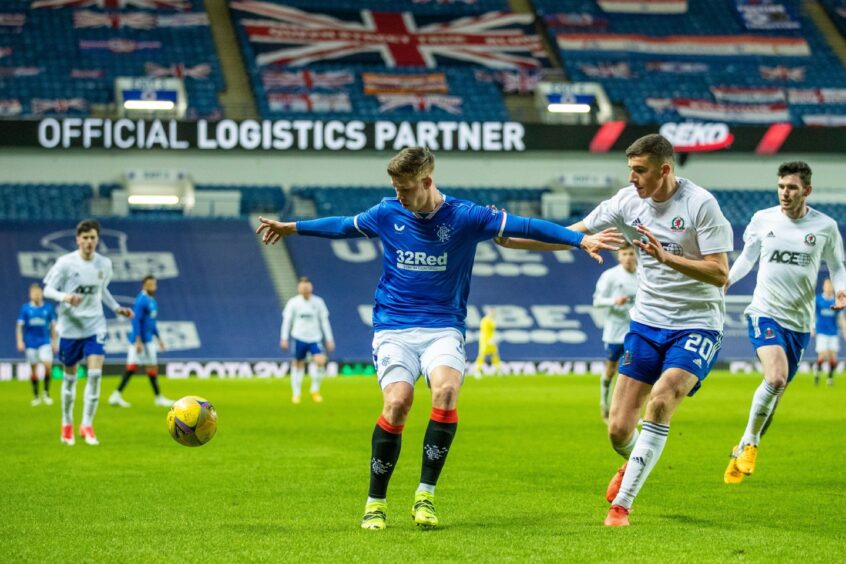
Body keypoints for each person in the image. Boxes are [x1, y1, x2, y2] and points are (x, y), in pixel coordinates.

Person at [255, 147, 620, 531]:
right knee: (398, 402)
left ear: (427, 182)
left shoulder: (466, 216)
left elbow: (526, 226)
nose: (399, 196)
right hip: (393, 325)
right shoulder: (386, 212)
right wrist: (291, 227)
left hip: (443, 325)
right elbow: (344, 225)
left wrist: (580, 240)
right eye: (395, 188)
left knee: (446, 392)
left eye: (405, 188)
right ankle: (375, 502)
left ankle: (425, 494)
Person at [498, 134, 733, 526]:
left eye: (640, 171)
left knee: (661, 400)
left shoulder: (700, 204)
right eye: (630, 170)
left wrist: (666, 257)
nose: (633, 179)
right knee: (618, 429)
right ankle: (637, 460)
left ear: (665, 170)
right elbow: (571, 233)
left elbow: (720, 272)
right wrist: (509, 239)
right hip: (645, 324)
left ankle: (621, 506)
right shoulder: (626, 202)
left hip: (697, 323)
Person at [723, 162, 846, 485]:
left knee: (775, 395)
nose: (784, 193)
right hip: (765, 311)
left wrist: (842, 289)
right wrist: (726, 281)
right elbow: (748, 258)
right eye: (781, 186)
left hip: (800, 323)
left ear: (806, 191)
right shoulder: (763, 220)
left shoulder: (825, 226)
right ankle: (750, 442)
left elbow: (837, 265)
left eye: (791, 187)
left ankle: (745, 446)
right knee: (775, 378)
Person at [43, 219, 133, 446]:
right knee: (70, 379)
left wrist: (116, 308)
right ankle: (66, 424)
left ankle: (87, 425)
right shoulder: (65, 263)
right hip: (70, 328)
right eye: (85, 237)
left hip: (95, 326)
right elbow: (47, 290)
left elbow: (102, 291)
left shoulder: (104, 264)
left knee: (94, 376)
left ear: (97, 239)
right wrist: (66, 297)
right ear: (77, 240)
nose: (89, 241)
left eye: (93, 237)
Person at [109, 275, 173, 408]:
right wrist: (138, 340)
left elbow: (152, 322)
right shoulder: (141, 300)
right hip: (140, 341)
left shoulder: (152, 301)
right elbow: (136, 321)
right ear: (144, 286)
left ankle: (158, 397)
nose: (153, 287)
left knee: (151, 368)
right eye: (150, 285)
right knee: (132, 367)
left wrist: (159, 339)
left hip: (148, 340)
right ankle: (116, 395)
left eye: (154, 284)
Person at [592, 245, 638, 423]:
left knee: (635, 373)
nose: (628, 257)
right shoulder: (610, 276)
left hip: (635, 331)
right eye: (624, 254)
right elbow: (597, 301)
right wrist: (614, 301)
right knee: (611, 371)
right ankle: (604, 404)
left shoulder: (643, 275)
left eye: (631, 254)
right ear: (619, 257)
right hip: (614, 331)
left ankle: (630, 414)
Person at [280, 276, 335, 404]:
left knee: (320, 361)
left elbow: (324, 321)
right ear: (299, 288)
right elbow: (286, 321)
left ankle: (314, 390)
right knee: (298, 364)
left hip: (315, 338)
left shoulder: (318, 302)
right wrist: (284, 338)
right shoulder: (293, 303)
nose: (305, 287)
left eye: (307, 285)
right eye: (302, 285)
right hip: (299, 337)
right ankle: (296, 393)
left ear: (311, 287)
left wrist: (329, 339)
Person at [16, 283, 58, 406]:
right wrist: (19, 341)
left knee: (47, 365)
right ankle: (36, 395)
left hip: (44, 341)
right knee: (33, 368)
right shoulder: (25, 309)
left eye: (38, 293)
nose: (36, 295)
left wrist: (54, 342)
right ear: (30, 295)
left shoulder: (48, 308)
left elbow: (53, 326)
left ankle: (46, 392)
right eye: (34, 293)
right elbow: (19, 326)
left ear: (42, 294)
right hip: (30, 343)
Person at [812, 278, 846, 386]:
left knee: (833, 356)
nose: (828, 287)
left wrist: (844, 331)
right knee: (823, 355)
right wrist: (811, 327)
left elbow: (841, 318)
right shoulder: (818, 300)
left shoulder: (836, 301)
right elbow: (812, 314)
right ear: (823, 287)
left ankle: (830, 379)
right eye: (826, 285)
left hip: (833, 332)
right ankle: (817, 373)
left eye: (830, 285)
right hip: (821, 331)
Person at [473, 307, 500, 377]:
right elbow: (484, 332)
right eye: (492, 312)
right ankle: (477, 371)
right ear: (488, 313)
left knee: (495, 354)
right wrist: (488, 340)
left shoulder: (491, 320)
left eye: (494, 312)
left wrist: (493, 339)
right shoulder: (485, 321)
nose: (493, 314)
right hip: (485, 340)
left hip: (491, 339)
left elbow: (491, 331)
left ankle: (498, 370)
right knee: (482, 355)